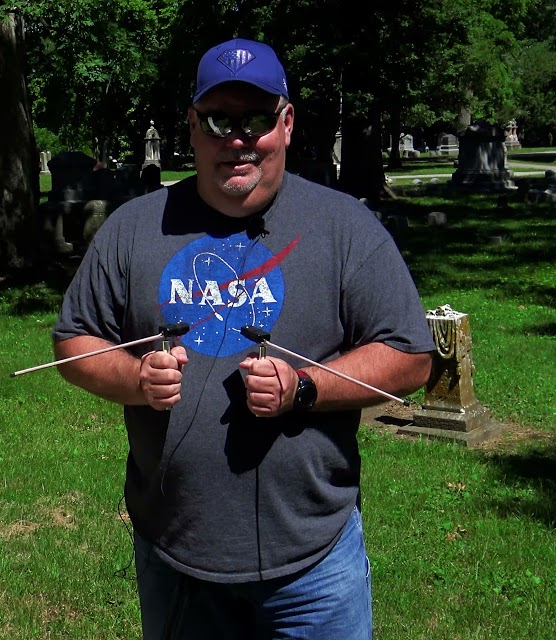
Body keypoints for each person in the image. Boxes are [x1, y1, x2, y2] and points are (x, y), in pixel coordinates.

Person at [52, 38, 435, 639]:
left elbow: (410, 356)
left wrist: (304, 387)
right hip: (178, 558)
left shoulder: (343, 226)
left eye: (255, 119)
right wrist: (134, 379)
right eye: (219, 120)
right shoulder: (134, 228)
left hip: (314, 564)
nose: (238, 138)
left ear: (284, 124)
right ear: (192, 127)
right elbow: (74, 342)